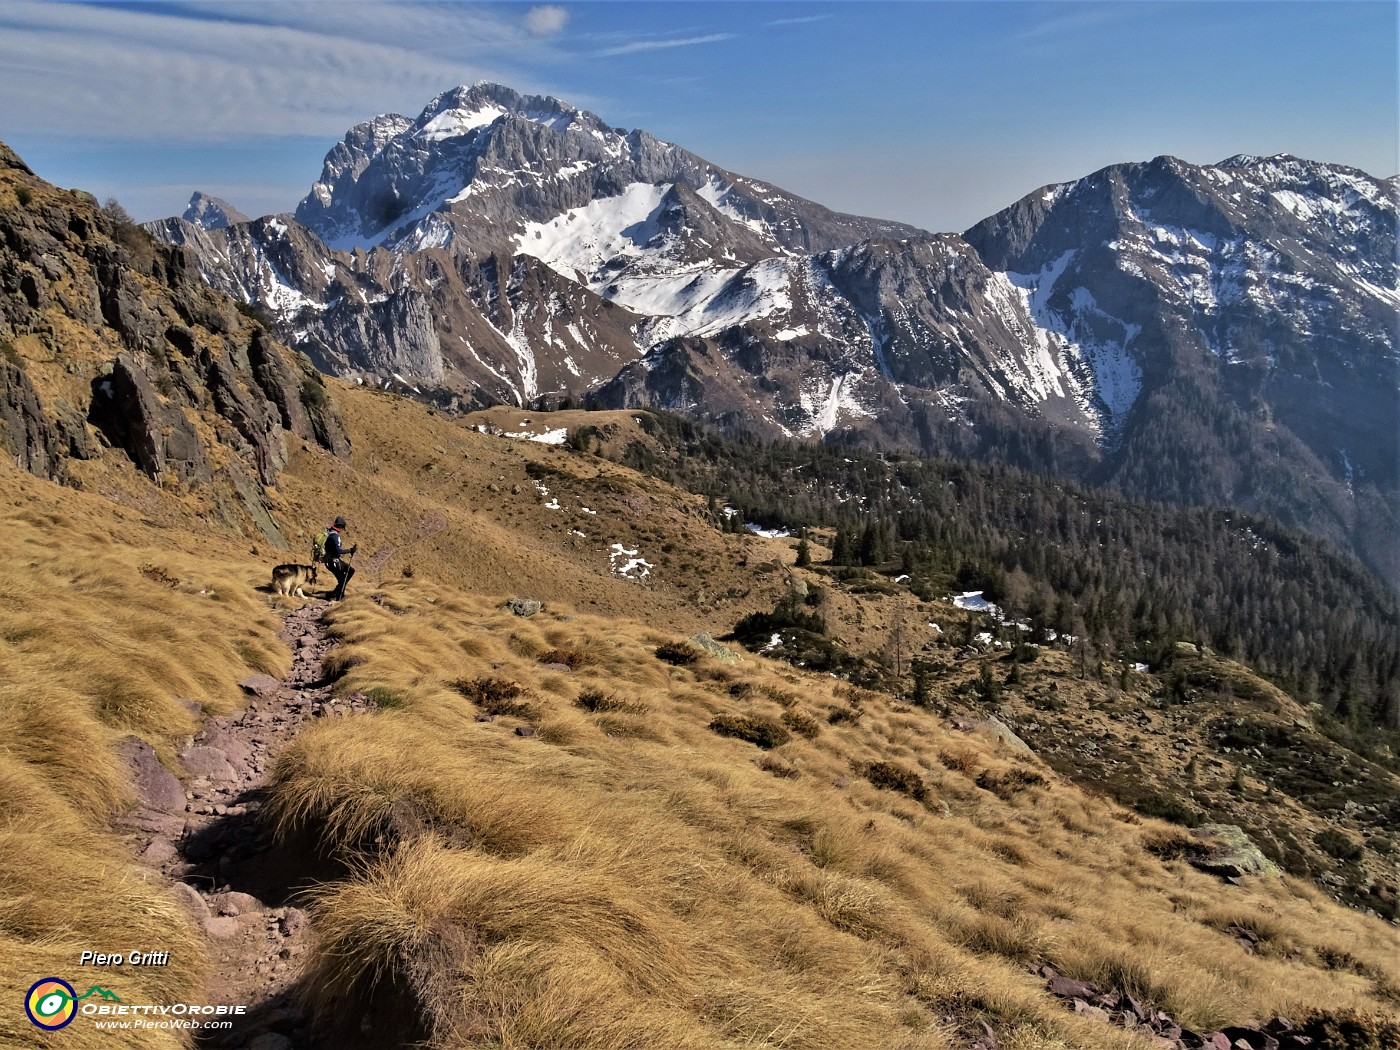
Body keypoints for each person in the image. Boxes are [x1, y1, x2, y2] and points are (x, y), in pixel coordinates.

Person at [325, 515, 358, 601]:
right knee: (347, 574)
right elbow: (339, 551)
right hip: (334, 562)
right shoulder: (335, 536)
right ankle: (338, 596)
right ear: (340, 527)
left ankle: (336, 593)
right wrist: (350, 550)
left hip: (329, 561)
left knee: (346, 574)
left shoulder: (329, 532)